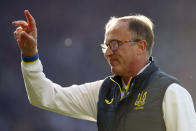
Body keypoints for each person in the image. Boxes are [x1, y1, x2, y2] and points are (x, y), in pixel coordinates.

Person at [12, 10, 196, 131]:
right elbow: (44, 96)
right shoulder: (103, 92)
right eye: (106, 46)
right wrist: (30, 56)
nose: (108, 52)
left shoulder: (171, 92)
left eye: (115, 44)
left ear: (140, 47)